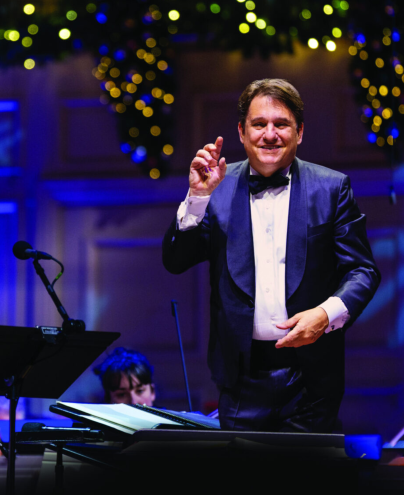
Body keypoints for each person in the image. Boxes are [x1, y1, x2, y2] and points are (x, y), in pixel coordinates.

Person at [162, 78, 380, 433]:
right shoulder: (214, 185)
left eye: (281, 124)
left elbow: (363, 271)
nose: (270, 134)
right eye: (259, 124)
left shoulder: (332, 187)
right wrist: (197, 198)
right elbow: (176, 260)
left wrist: (325, 315)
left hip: (311, 380)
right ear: (242, 132)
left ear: (300, 133)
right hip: (239, 379)